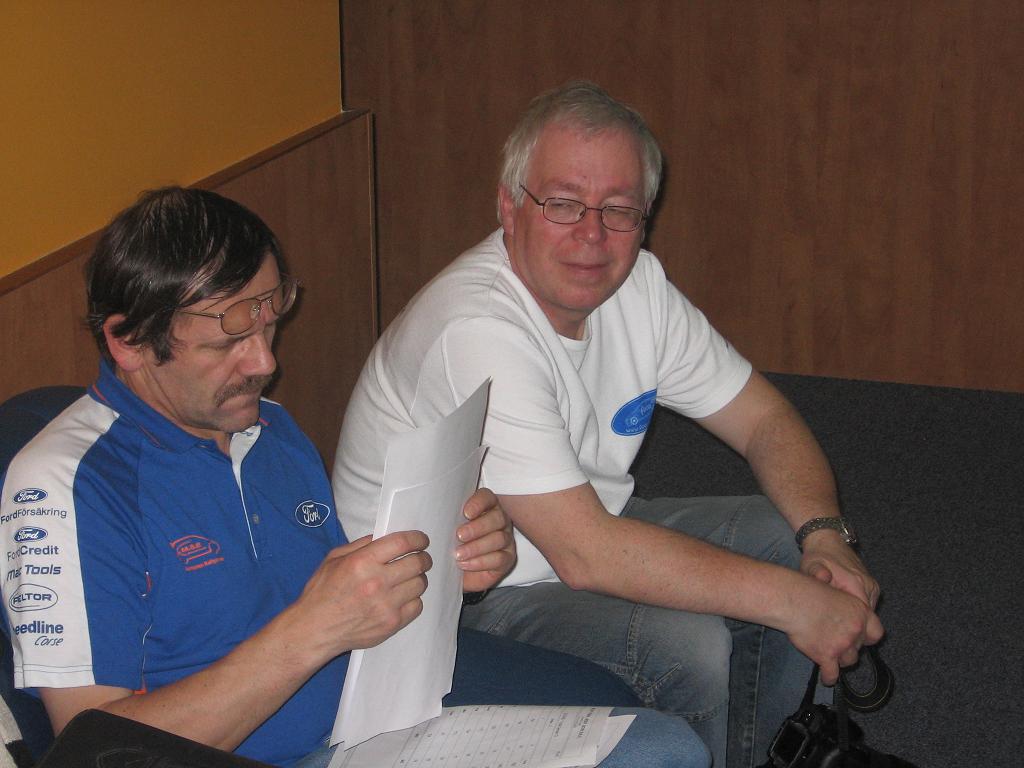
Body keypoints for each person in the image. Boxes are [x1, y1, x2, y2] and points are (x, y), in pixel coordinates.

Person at [0, 187, 708, 768]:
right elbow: (98, 754)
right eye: (228, 341)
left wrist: (450, 563)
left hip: (373, 726)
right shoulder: (63, 486)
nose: (264, 363)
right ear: (127, 340)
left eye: (269, 323)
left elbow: (343, 602)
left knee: (661, 746)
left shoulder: (270, 432)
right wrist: (314, 629)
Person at [332, 81, 885, 768]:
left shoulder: (639, 286)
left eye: (619, 210)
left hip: (581, 527)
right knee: (691, 650)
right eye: (563, 204)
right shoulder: (476, 329)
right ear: (508, 207)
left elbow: (763, 419)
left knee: (784, 537)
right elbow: (586, 554)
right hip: (455, 597)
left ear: (644, 220)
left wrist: (825, 537)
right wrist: (797, 604)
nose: (592, 236)